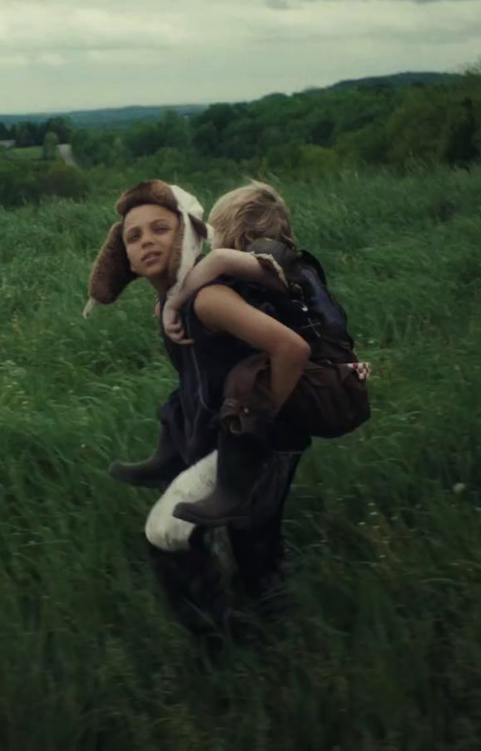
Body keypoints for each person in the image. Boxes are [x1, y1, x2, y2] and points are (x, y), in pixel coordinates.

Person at [82, 179, 314, 646]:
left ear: (187, 233)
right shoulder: (170, 301)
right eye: (133, 236)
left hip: (254, 438)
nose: (146, 240)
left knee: (166, 533)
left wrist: (262, 429)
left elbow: (293, 349)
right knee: (254, 546)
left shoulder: (207, 298)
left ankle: (214, 646)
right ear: (123, 256)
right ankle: (272, 642)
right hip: (236, 437)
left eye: (160, 229)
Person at [158, 180, 372, 528]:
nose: (213, 244)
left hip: (327, 384)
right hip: (336, 377)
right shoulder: (293, 266)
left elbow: (221, 260)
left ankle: (233, 488)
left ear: (237, 234)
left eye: (216, 232)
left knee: (247, 385)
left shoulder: (267, 262)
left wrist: (174, 302)